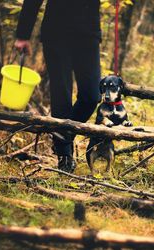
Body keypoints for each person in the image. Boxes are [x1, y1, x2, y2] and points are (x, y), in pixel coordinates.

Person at [14, 0, 101, 173]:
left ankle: (63, 136)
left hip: (88, 34)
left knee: (92, 95)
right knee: (62, 93)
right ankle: (64, 156)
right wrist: (23, 34)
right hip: (57, 33)